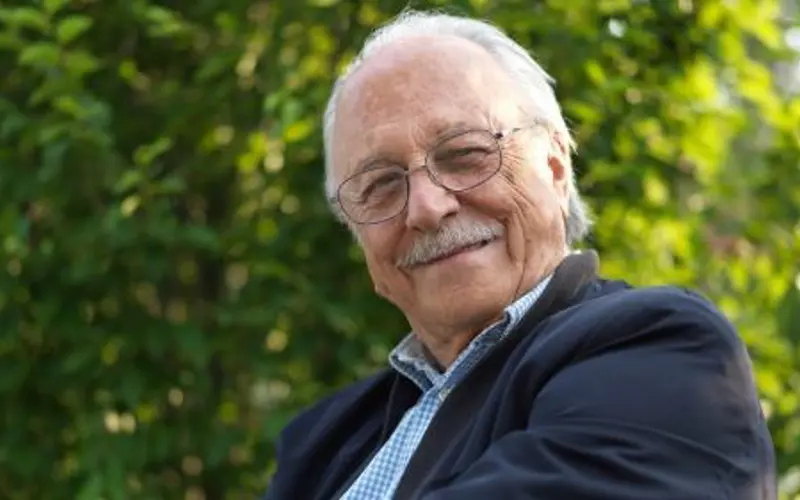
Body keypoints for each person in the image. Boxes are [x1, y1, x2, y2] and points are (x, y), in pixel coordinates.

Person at [263, 10, 776, 500]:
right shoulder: (322, 441)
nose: (427, 208)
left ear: (555, 167)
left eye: (465, 154)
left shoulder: (663, 351)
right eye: (380, 185)